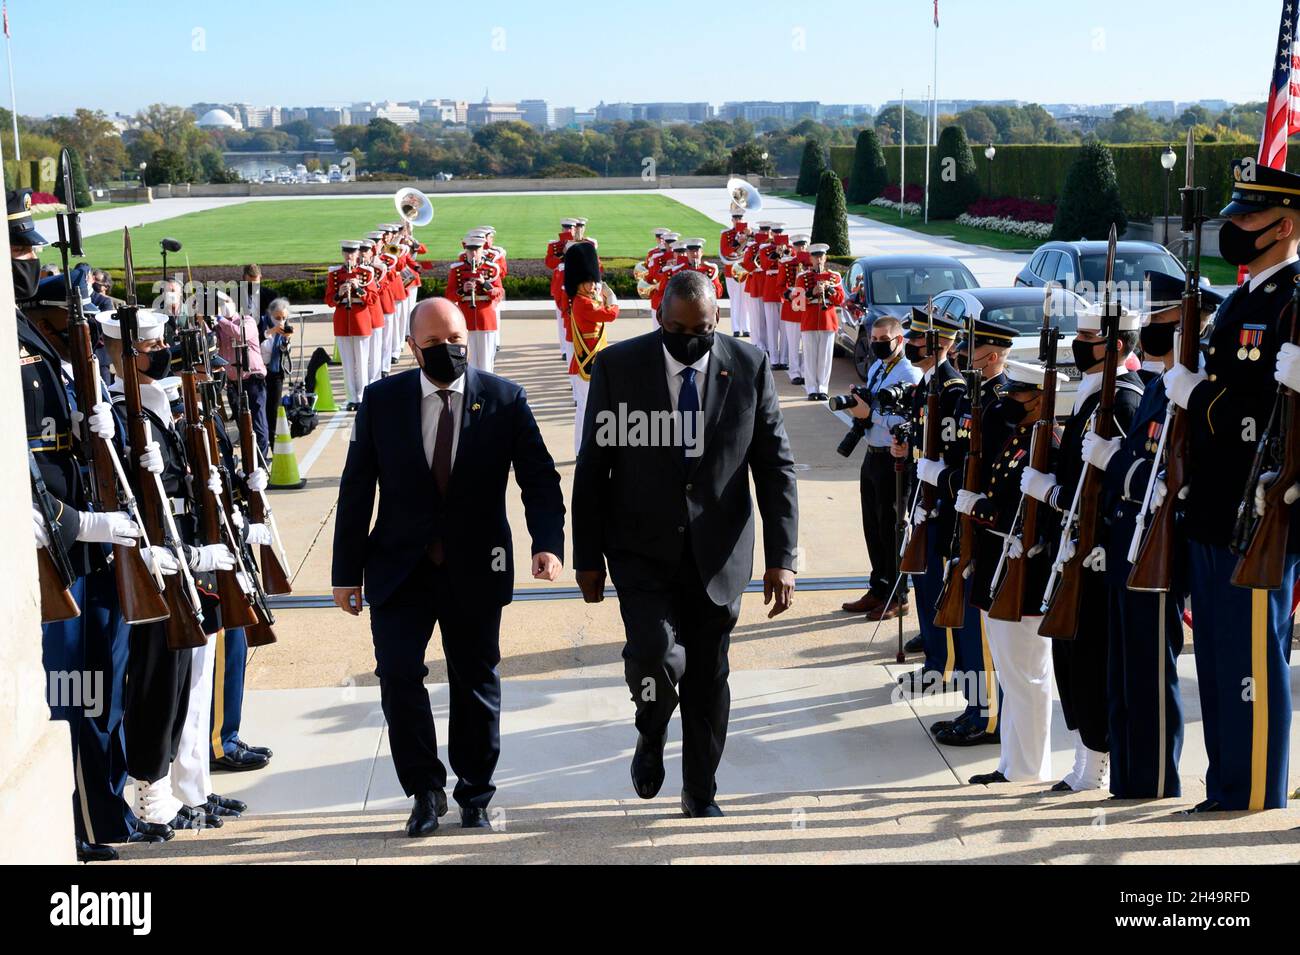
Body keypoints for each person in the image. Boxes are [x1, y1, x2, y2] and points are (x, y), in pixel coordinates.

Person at [331, 298, 565, 836]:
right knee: (397, 676)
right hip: (398, 568)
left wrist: (546, 542)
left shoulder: (505, 399)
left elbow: (539, 477)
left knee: (475, 680)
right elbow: (356, 488)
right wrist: (346, 572)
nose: (449, 351)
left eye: (456, 339)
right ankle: (423, 789)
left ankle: (475, 793)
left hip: (476, 568)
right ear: (412, 347)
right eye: (434, 344)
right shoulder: (382, 400)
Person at [572, 269, 799, 818]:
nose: (688, 337)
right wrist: (587, 558)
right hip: (640, 549)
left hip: (719, 553)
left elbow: (774, 466)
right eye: (676, 327)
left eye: (700, 328)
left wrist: (783, 559)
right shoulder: (619, 367)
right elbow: (593, 467)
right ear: (659, 319)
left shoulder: (749, 365)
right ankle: (651, 731)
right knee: (652, 657)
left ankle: (701, 790)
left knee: (707, 676)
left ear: (717, 320)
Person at [1163, 159, 1300, 812]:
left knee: (1251, 658)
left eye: (1249, 217)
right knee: (1218, 658)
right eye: (1238, 216)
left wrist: (1202, 396)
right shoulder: (1242, 300)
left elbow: (1263, 418)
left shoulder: (1293, 303)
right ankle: (1226, 782)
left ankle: (1254, 789)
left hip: (1260, 513)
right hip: (1215, 509)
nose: (1237, 227)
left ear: (1286, 225)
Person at [18, 229, 156, 861]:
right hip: (62, 554)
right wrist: (79, 523)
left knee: (105, 689)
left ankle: (107, 812)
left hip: (95, 557)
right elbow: (23, 467)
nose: (96, 342)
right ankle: (76, 825)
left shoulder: (65, 368)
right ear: (53, 322)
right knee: (73, 694)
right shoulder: (25, 362)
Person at [1093, 271, 1222, 799]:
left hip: (1158, 545)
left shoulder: (1193, 394)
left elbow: (1177, 477)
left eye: (1159, 323)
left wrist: (1116, 466)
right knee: (1125, 671)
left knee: (1149, 671)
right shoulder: (1157, 387)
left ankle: (1154, 779)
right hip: (1131, 540)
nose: (1147, 332)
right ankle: (1128, 776)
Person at [1020, 300, 1143, 792]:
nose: (1078, 344)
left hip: (1096, 549)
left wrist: (1048, 491)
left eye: (1088, 337)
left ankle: (1094, 763)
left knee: (1088, 656)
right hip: (1073, 544)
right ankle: (1085, 757)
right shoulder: (1094, 395)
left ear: (1113, 346)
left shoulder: (1123, 400)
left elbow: (1110, 489)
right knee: (1070, 655)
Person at [960, 360, 1065, 785]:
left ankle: (1028, 769)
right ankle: (1011, 763)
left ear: (1041, 398)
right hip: (998, 567)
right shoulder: (1023, 437)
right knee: (1011, 674)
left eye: (1018, 394)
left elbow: (1047, 517)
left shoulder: (1052, 444)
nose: (1008, 401)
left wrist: (983, 508)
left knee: (1028, 675)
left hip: (1026, 572)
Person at [922, 316, 1013, 746]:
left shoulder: (1005, 403)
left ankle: (989, 716)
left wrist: (942, 479)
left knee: (980, 627)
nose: (961, 360)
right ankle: (976, 707)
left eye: (971, 355)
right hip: (961, 521)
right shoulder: (973, 399)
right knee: (966, 623)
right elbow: (960, 454)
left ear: (993, 357)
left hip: (983, 525)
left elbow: (990, 474)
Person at [843, 315, 923, 616]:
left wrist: (870, 415)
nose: (876, 345)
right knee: (872, 526)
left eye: (882, 340)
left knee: (893, 528)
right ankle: (878, 588)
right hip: (872, 453)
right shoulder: (878, 366)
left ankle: (898, 594)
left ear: (898, 340)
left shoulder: (908, 374)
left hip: (895, 458)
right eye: (873, 340)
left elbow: (907, 422)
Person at [562, 242, 619, 456]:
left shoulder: (585, 299)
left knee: (588, 409)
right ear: (579, 284)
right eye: (589, 281)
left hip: (590, 362)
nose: (593, 285)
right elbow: (610, 315)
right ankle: (581, 451)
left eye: (593, 280)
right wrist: (612, 299)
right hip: (586, 364)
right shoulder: (582, 303)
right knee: (586, 410)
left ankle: (584, 450)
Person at [214, 292, 270, 458]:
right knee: (242, 424)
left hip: (252, 379)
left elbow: (240, 334)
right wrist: (204, 322)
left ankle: (261, 461)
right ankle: (249, 460)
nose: (222, 306)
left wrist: (219, 319)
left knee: (257, 423)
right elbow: (212, 342)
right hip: (233, 382)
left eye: (225, 302)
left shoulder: (247, 321)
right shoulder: (219, 327)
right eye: (218, 303)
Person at [325, 240, 376, 412]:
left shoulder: (366, 273)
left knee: (361, 362)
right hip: (342, 322)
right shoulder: (334, 274)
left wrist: (359, 289)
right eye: (346, 252)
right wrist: (339, 293)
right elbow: (329, 300)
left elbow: (373, 299)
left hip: (360, 321)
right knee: (347, 363)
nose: (349, 256)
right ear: (342, 254)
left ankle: (362, 397)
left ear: (357, 254)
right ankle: (351, 398)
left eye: (352, 253)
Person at [445, 233, 504, 373]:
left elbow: (499, 292)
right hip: (466, 317)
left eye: (476, 250)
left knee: (485, 361)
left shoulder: (491, 268)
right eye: (470, 250)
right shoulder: (457, 269)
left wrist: (485, 284)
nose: (473, 253)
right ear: (466, 250)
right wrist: (462, 290)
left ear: (482, 249)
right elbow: (449, 295)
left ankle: (486, 390)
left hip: (486, 318)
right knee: (468, 359)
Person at [794, 243, 843, 400]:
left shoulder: (834, 277)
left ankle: (822, 388)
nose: (819, 259)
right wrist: (811, 292)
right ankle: (811, 389)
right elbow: (797, 303)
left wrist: (830, 290)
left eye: (821, 256)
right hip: (809, 320)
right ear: (810, 259)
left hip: (827, 320)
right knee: (810, 356)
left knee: (825, 357)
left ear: (825, 258)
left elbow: (840, 300)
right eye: (815, 257)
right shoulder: (802, 277)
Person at [777, 234, 810, 385]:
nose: (801, 249)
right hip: (792, 307)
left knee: (807, 343)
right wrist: (789, 294)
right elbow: (780, 285)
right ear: (793, 247)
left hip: (808, 308)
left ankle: (805, 371)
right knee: (794, 342)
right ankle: (795, 372)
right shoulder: (786, 263)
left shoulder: (812, 265)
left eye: (803, 246)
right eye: (798, 246)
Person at [259, 297, 293, 437]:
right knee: (261, 408)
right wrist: (272, 331)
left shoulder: (286, 327)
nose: (281, 321)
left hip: (276, 371)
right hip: (259, 372)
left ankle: (274, 441)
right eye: (277, 317)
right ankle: (263, 436)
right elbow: (257, 340)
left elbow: (284, 352)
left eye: (283, 317)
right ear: (270, 314)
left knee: (274, 409)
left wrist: (287, 340)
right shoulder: (261, 322)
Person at [546, 218, 577, 361]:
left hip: (576, 285)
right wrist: (563, 254)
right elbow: (549, 263)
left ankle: (575, 346)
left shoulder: (582, 244)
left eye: (570, 228)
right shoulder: (554, 246)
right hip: (560, 287)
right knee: (561, 319)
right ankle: (565, 349)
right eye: (566, 228)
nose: (568, 231)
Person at [719, 211, 751, 337]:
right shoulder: (726, 234)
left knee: (745, 300)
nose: (738, 220)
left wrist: (750, 236)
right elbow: (725, 251)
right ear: (732, 219)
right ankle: (736, 328)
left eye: (740, 217)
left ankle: (746, 327)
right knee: (735, 299)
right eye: (735, 217)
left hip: (744, 269)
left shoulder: (750, 233)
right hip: (731, 269)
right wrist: (737, 242)